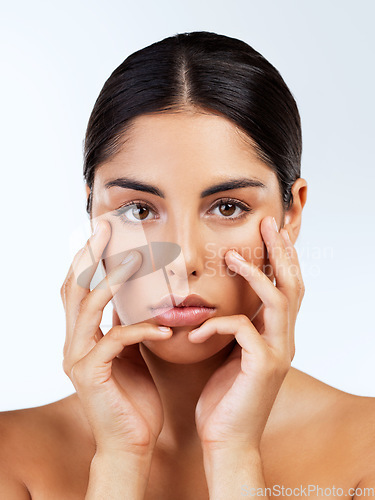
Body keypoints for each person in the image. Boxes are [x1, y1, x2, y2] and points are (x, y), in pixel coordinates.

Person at [1, 30, 374, 499]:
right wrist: (120, 457)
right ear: (92, 210)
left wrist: (235, 454)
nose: (184, 261)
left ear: (291, 213)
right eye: (139, 210)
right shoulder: (9, 457)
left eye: (227, 207)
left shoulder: (368, 451)